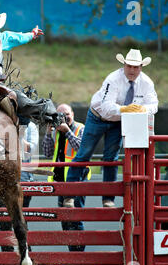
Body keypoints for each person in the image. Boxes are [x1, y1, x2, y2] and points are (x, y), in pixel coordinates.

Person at [63, 49, 159, 210]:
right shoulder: (113, 79)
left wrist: (142, 110)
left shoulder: (147, 83)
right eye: (129, 66)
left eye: (136, 67)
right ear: (124, 65)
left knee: (111, 158)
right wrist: (126, 110)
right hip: (98, 117)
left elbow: (154, 105)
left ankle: (108, 198)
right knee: (84, 154)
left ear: (141, 67)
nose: (132, 70)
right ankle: (69, 195)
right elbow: (106, 107)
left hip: (118, 120)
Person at [42, 103, 90, 265]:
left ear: (73, 114)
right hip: (61, 183)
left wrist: (67, 132)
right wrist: (49, 132)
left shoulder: (81, 129)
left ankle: (80, 262)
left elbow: (81, 149)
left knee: (76, 220)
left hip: (77, 182)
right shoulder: (56, 130)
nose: (64, 118)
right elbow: (47, 153)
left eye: (67, 114)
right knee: (65, 222)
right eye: (60, 115)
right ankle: (72, 261)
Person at [0, 117, 38, 265]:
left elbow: (30, 149)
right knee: (4, 223)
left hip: (23, 179)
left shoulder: (30, 126)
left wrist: (14, 137)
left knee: (20, 221)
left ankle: (26, 260)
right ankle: (9, 263)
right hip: (2, 180)